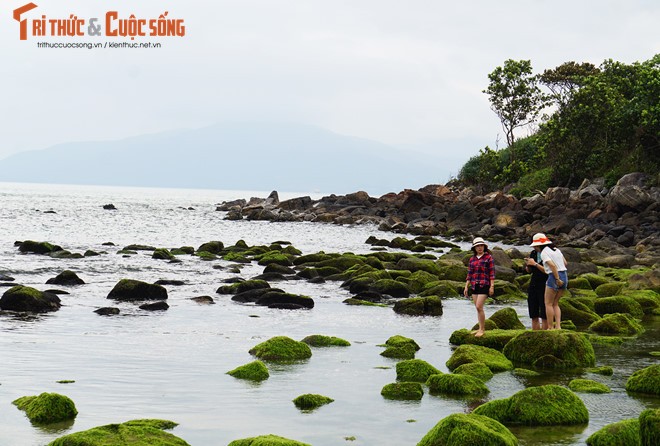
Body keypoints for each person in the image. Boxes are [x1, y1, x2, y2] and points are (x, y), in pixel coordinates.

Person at [536, 233, 568, 330]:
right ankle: (558, 326)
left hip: (554, 276)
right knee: (556, 303)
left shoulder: (544, 253)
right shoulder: (557, 250)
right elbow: (565, 263)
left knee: (548, 303)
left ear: (538, 246)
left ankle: (550, 327)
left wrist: (557, 278)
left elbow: (552, 265)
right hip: (564, 274)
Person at [464, 237, 495, 337]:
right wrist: (466, 287)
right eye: (477, 246)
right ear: (474, 248)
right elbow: (469, 274)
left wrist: (492, 286)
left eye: (481, 246)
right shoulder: (472, 259)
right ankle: (480, 328)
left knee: (479, 306)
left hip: (484, 284)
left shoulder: (488, 258)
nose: (479, 248)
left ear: (484, 247)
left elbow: (492, 273)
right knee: (477, 308)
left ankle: (482, 329)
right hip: (474, 285)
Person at [526, 233, 549, 330]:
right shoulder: (533, 253)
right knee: (533, 311)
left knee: (544, 311)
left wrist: (535, 264)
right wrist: (528, 265)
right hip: (534, 282)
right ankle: (535, 333)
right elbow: (529, 271)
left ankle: (544, 334)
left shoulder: (548, 254)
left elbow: (548, 271)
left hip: (545, 283)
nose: (535, 247)